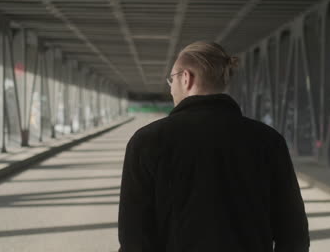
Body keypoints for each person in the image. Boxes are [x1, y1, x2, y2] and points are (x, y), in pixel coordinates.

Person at [118, 41, 309, 252]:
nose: (171, 88)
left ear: (185, 78)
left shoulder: (147, 142)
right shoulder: (269, 141)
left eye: (171, 80)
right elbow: (293, 233)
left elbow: (134, 238)